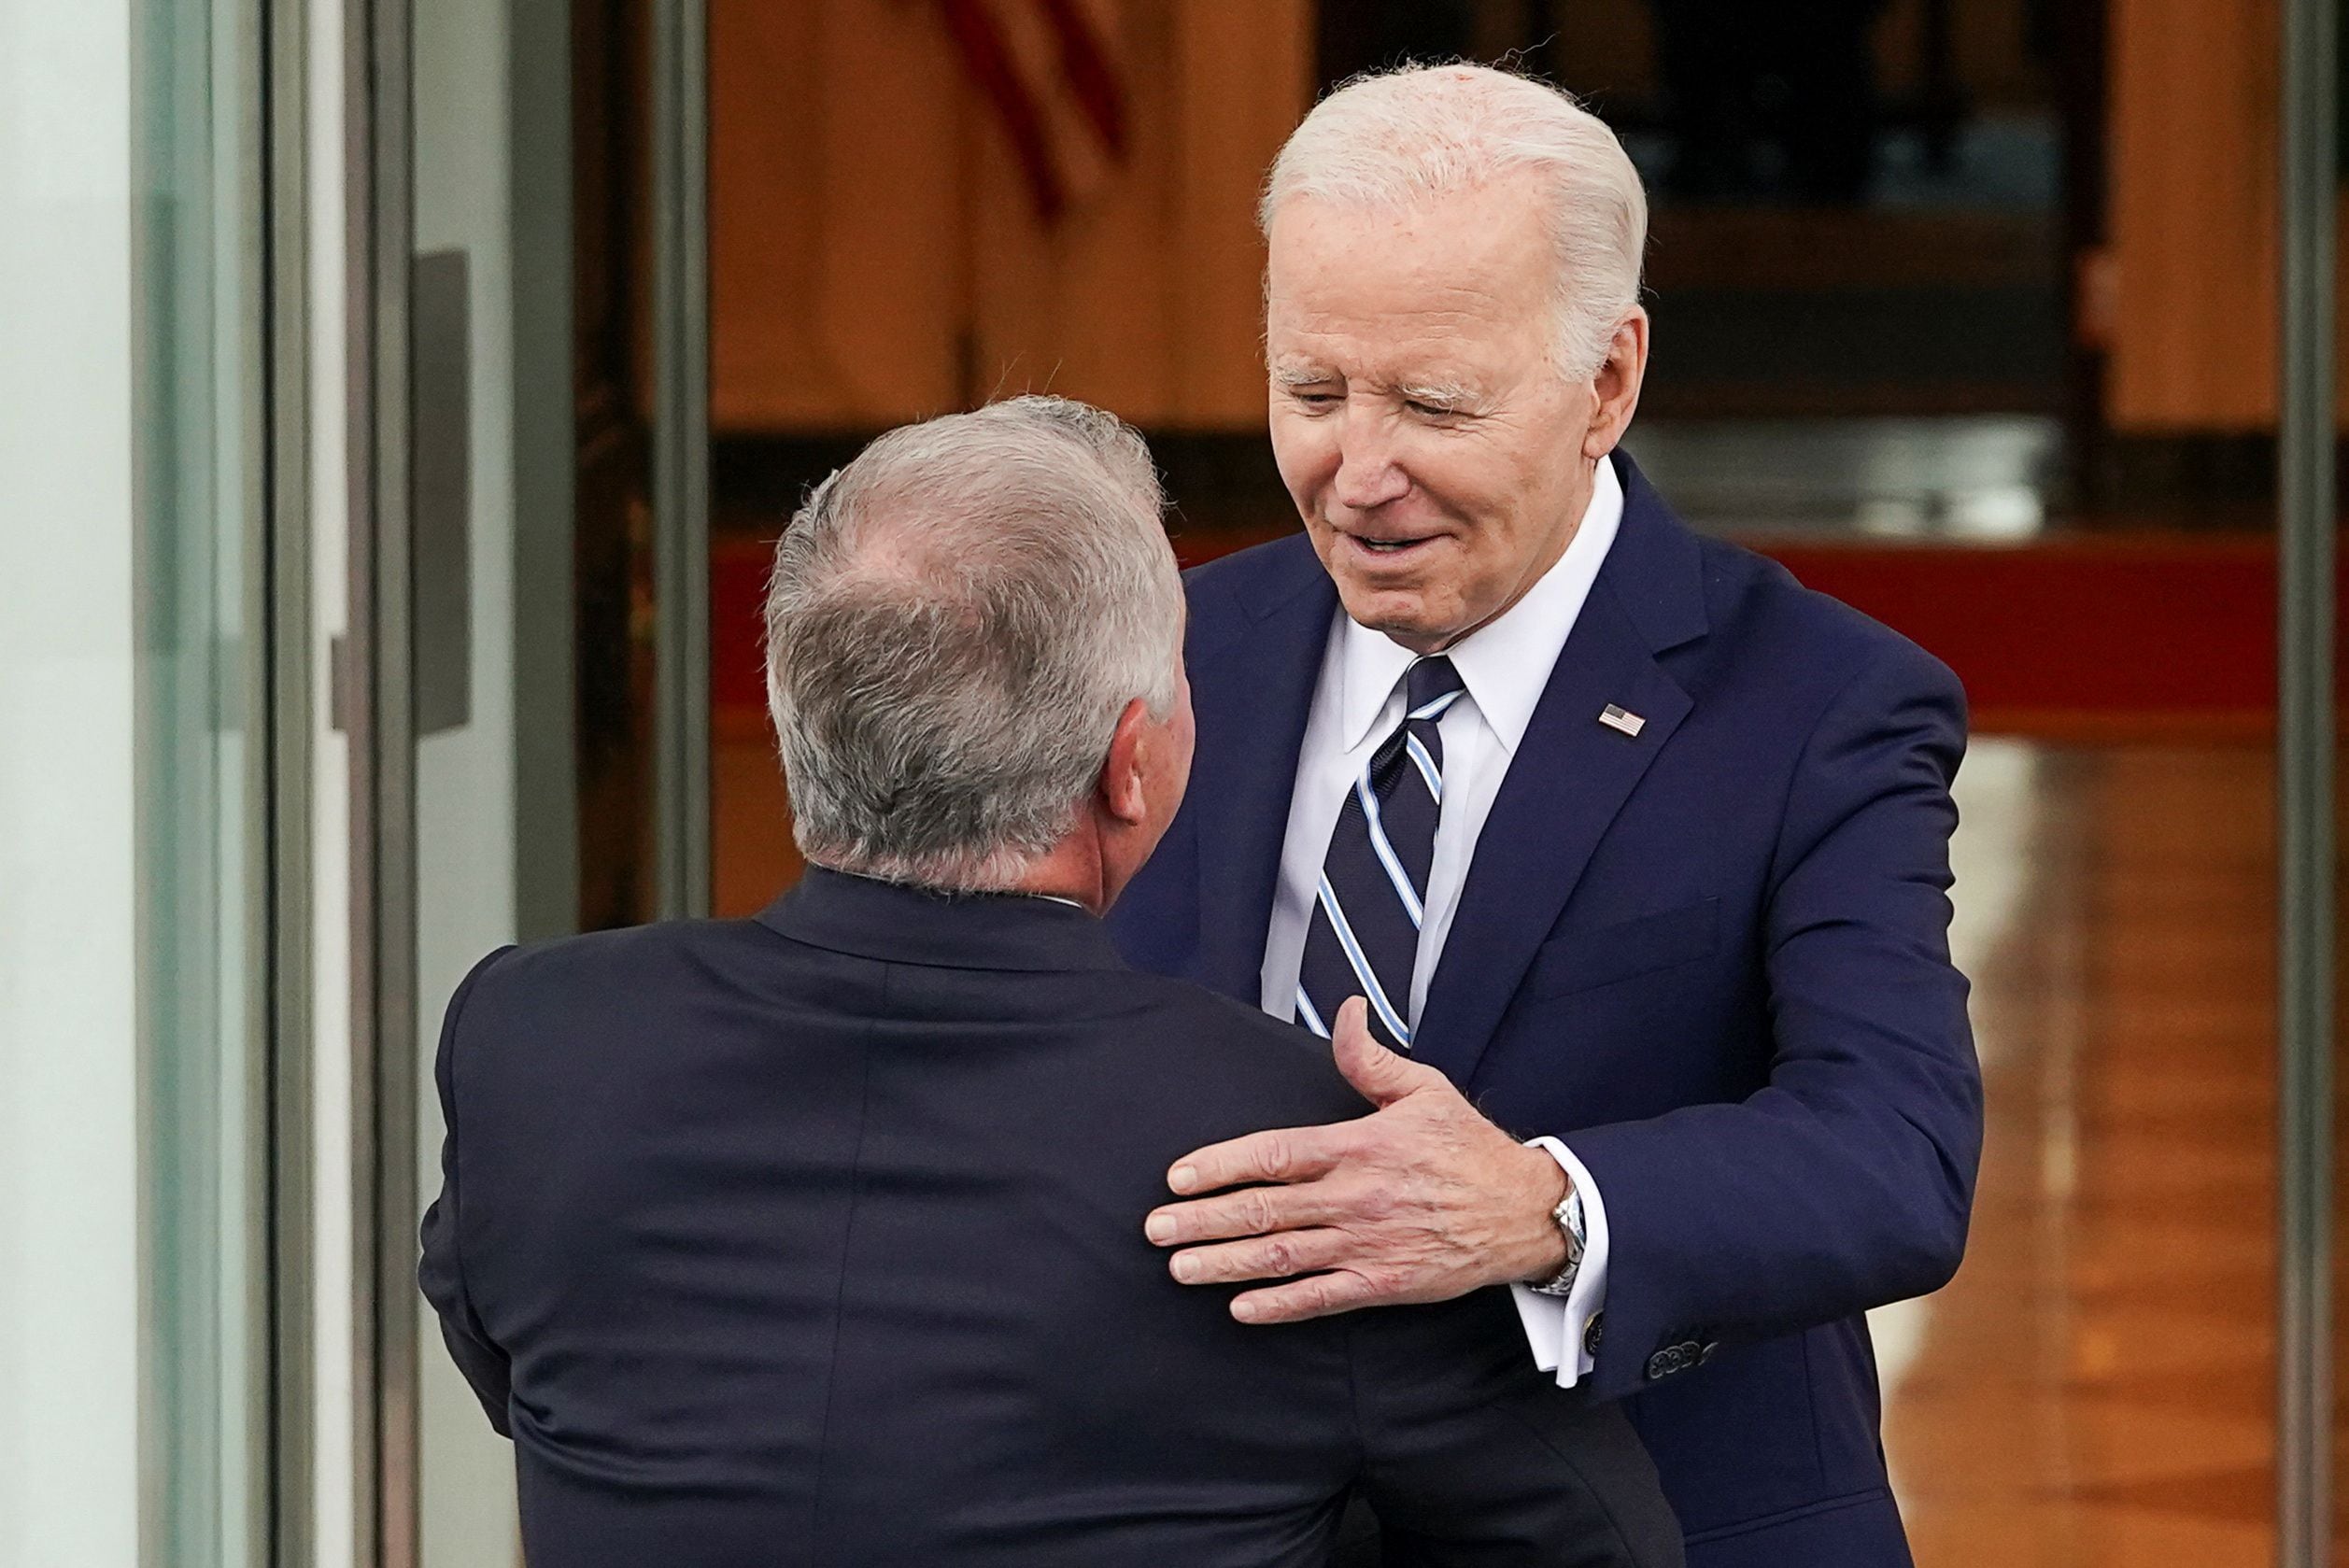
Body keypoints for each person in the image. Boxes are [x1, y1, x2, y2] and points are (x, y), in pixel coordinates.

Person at [417, 396, 1682, 1568]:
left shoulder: (532, 1043)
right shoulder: (1307, 1153)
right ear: (1130, 763)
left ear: (801, 710)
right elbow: (1594, 1545)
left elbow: (543, 1387)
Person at [1108, 66, 1981, 1568]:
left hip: (1669, 1517)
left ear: (1610, 382)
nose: (1356, 472)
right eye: (1310, 392)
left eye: (1434, 404)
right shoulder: (1158, 654)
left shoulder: (1821, 702)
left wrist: (1543, 1208)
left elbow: (1896, 1152)